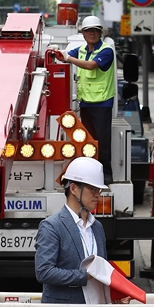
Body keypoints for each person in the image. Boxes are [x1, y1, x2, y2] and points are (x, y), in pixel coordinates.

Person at [35, 157, 130, 304]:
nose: (97, 194)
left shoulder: (97, 227)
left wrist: (114, 297)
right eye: (92, 189)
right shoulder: (52, 226)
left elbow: (102, 272)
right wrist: (84, 275)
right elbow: (44, 272)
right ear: (73, 188)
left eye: (98, 190)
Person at [52, 16, 115, 183]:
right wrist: (55, 50)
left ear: (100, 32)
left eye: (95, 30)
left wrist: (67, 57)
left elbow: (91, 65)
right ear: (83, 33)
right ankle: (90, 173)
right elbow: (62, 56)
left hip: (102, 103)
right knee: (87, 141)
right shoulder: (80, 50)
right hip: (85, 103)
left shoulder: (106, 51)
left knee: (102, 141)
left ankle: (106, 174)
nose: (91, 33)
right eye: (88, 31)